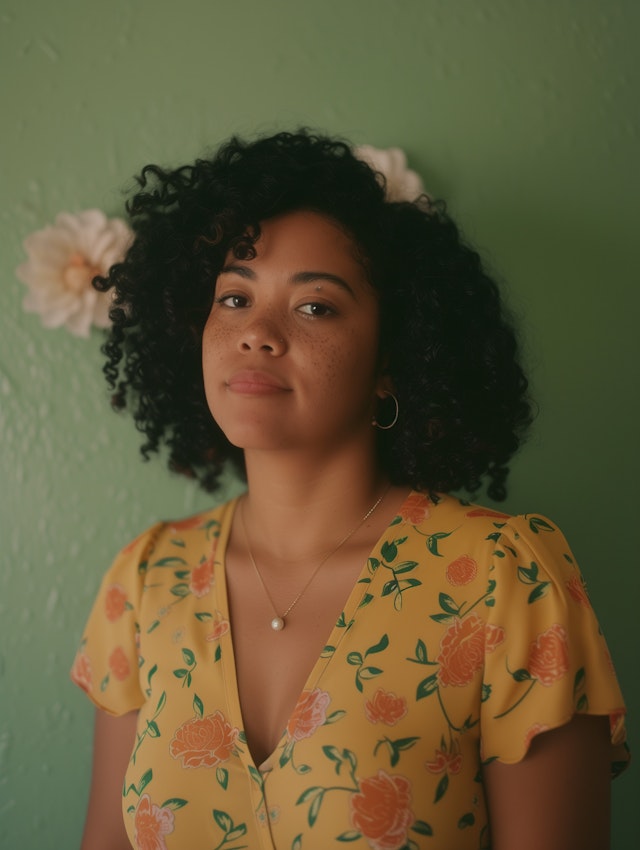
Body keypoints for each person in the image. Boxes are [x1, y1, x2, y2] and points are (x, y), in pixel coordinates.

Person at [71, 130, 628, 850]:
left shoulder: (503, 581)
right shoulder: (145, 583)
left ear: (393, 359)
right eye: (234, 297)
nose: (256, 333)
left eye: (315, 307)